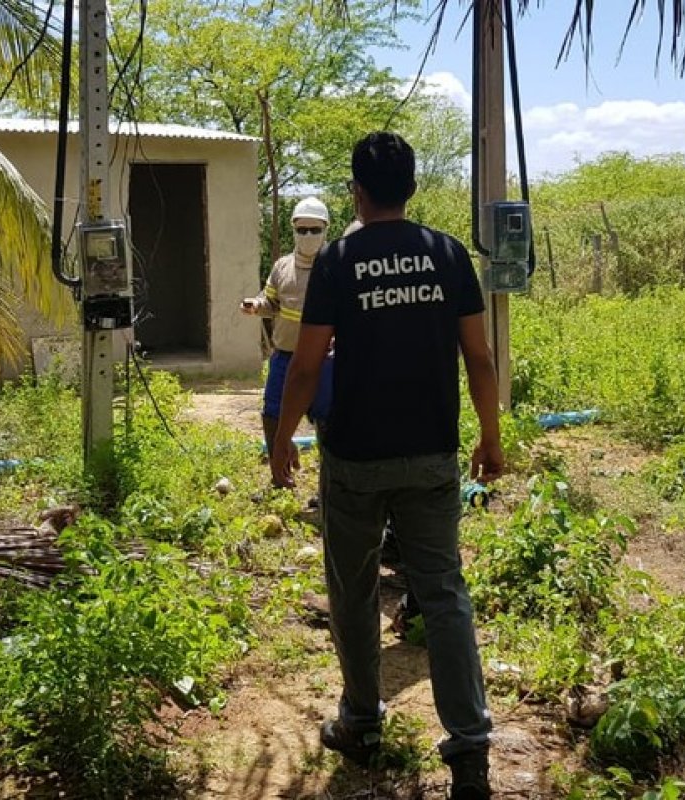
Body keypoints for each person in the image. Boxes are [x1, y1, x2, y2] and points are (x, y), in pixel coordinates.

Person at [270, 132, 504, 800]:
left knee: (353, 589)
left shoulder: (339, 261)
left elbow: (308, 363)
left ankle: (362, 724)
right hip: (433, 452)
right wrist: (490, 437)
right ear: (412, 186)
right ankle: (469, 754)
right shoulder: (448, 255)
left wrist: (283, 439)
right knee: (444, 594)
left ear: (358, 192)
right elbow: (479, 358)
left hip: (355, 458)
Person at [241, 197, 335, 467]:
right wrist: (256, 306)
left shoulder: (335, 265)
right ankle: (280, 474)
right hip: (284, 357)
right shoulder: (283, 267)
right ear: (293, 230)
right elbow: (271, 303)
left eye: (315, 230)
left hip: (325, 359)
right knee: (272, 414)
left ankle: (328, 483)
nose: (308, 236)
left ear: (325, 230)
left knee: (327, 420)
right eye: (302, 230)